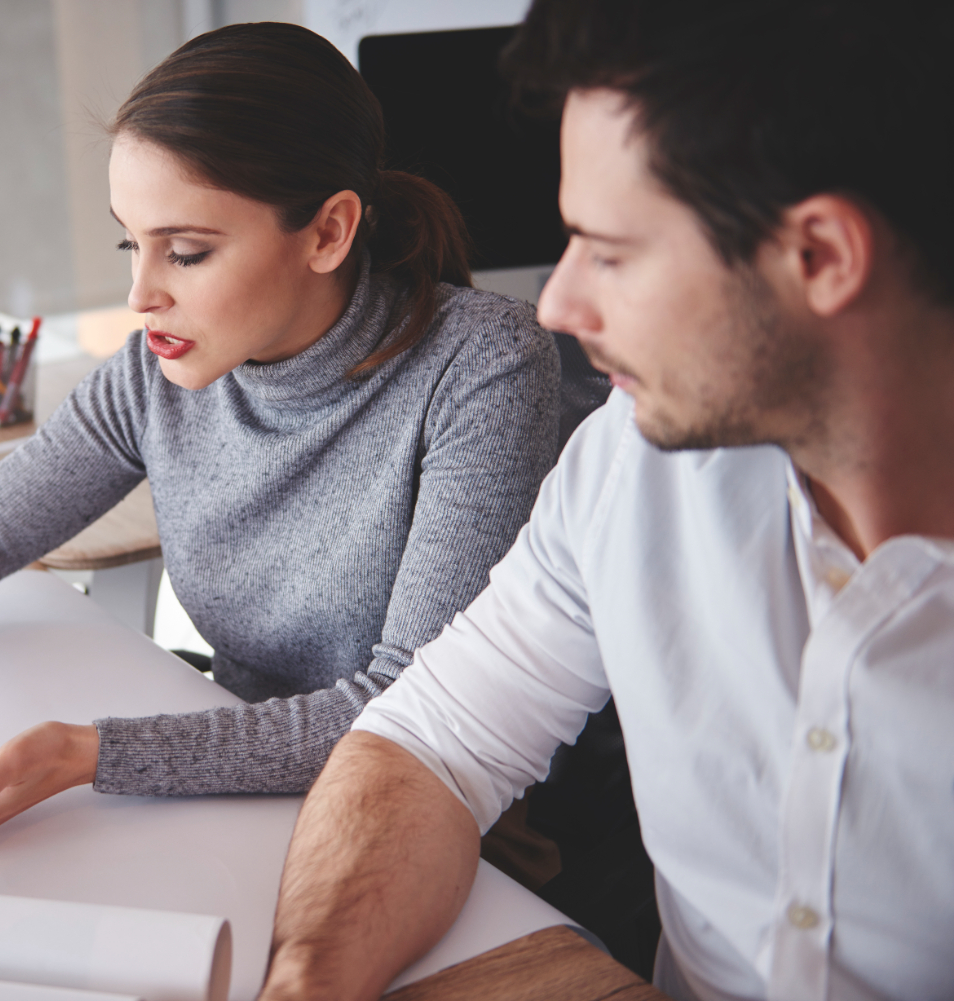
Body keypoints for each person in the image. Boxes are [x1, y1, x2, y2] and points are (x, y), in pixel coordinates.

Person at [0, 23, 574, 873]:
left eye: (188, 251)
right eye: (132, 242)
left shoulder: (486, 366)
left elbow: (406, 707)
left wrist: (90, 754)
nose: (140, 294)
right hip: (231, 796)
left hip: (420, 816)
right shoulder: (153, 372)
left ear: (328, 233)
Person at [258, 2, 954, 1000]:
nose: (557, 305)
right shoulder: (633, 462)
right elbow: (433, 741)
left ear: (822, 258)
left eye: (610, 252)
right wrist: (311, 980)